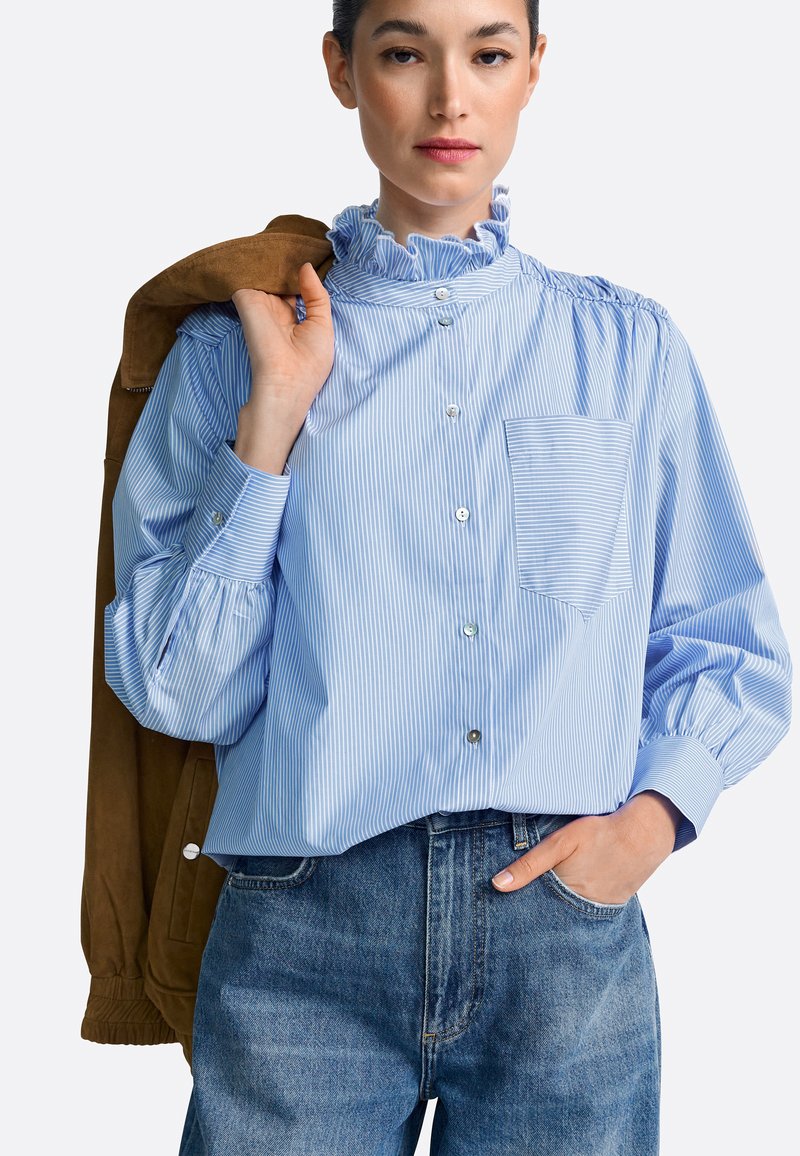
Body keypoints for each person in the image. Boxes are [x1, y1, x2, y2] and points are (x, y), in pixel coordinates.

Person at [102, 1, 792, 1152]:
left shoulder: (624, 351)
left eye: (487, 52)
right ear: (341, 70)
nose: (448, 97)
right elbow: (182, 691)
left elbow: (726, 641)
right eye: (402, 53)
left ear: (533, 68)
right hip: (299, 930)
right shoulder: (230, 352)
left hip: (560, 936)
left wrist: (647, 822)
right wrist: (270, 422)